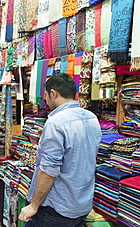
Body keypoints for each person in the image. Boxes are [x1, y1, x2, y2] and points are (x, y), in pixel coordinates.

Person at [18, 73, 102, 226]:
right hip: (82, 204)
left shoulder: (56, 122)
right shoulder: (92, 118)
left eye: (46, 96)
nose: (45, 100)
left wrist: (34, 205)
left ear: (53, 94)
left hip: (57, 208)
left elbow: (49, 170)